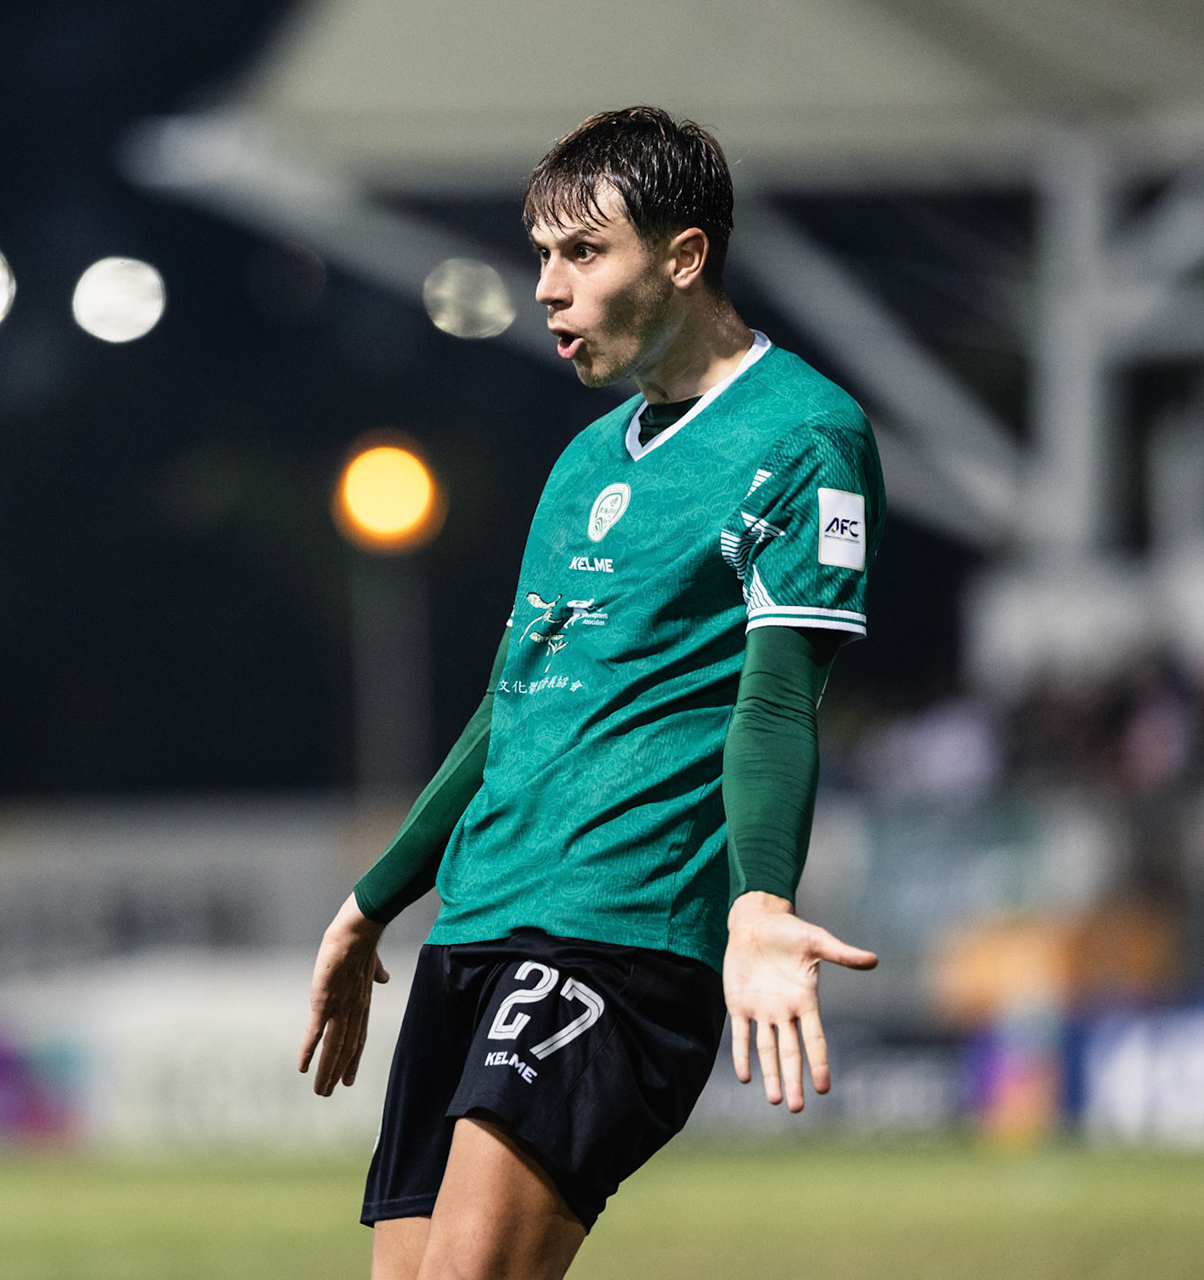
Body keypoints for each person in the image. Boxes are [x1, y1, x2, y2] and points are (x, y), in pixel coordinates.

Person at [298, 106, 884, 1280]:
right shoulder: (581, 463)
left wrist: (760, 899)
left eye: (583, 252)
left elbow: (776, 702)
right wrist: (373, 900)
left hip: (618, 930)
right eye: (540, 254)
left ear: (684, 255)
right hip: (478, 920)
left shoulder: (805, 435)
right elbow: (512, 705)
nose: (548, 288)